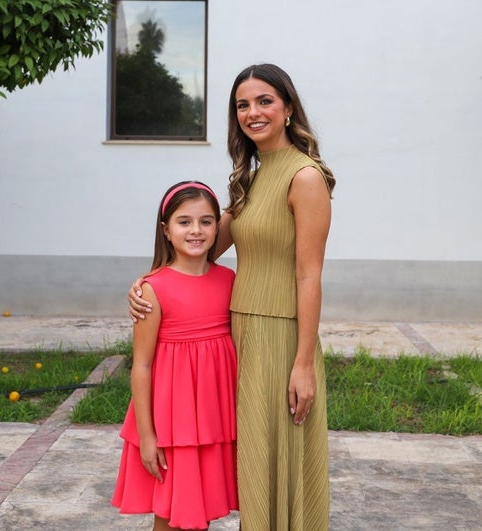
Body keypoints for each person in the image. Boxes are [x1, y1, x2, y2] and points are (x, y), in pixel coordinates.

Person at [129, 64, 335, 530]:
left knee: (274, 460)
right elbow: (196, 249)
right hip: (236, 334)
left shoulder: (304, 177)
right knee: (251, 465)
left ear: (287, 109)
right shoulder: (252, 177)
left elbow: (309, 275)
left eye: (265, 101)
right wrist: (145, 283)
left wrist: (303, 363)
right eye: (243, 104)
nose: (253, 112)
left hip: (280, 337)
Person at [112, 181, 239, 530]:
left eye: (206, 221)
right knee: (170, 516)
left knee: (200, 513)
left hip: (213, 419)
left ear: (218, 227)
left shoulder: (230, 280)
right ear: (166, 230)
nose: (196, 230)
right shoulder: (153, 289)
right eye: (184, 222)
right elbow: (142, 365)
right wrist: (147, 435)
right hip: (172, 422)